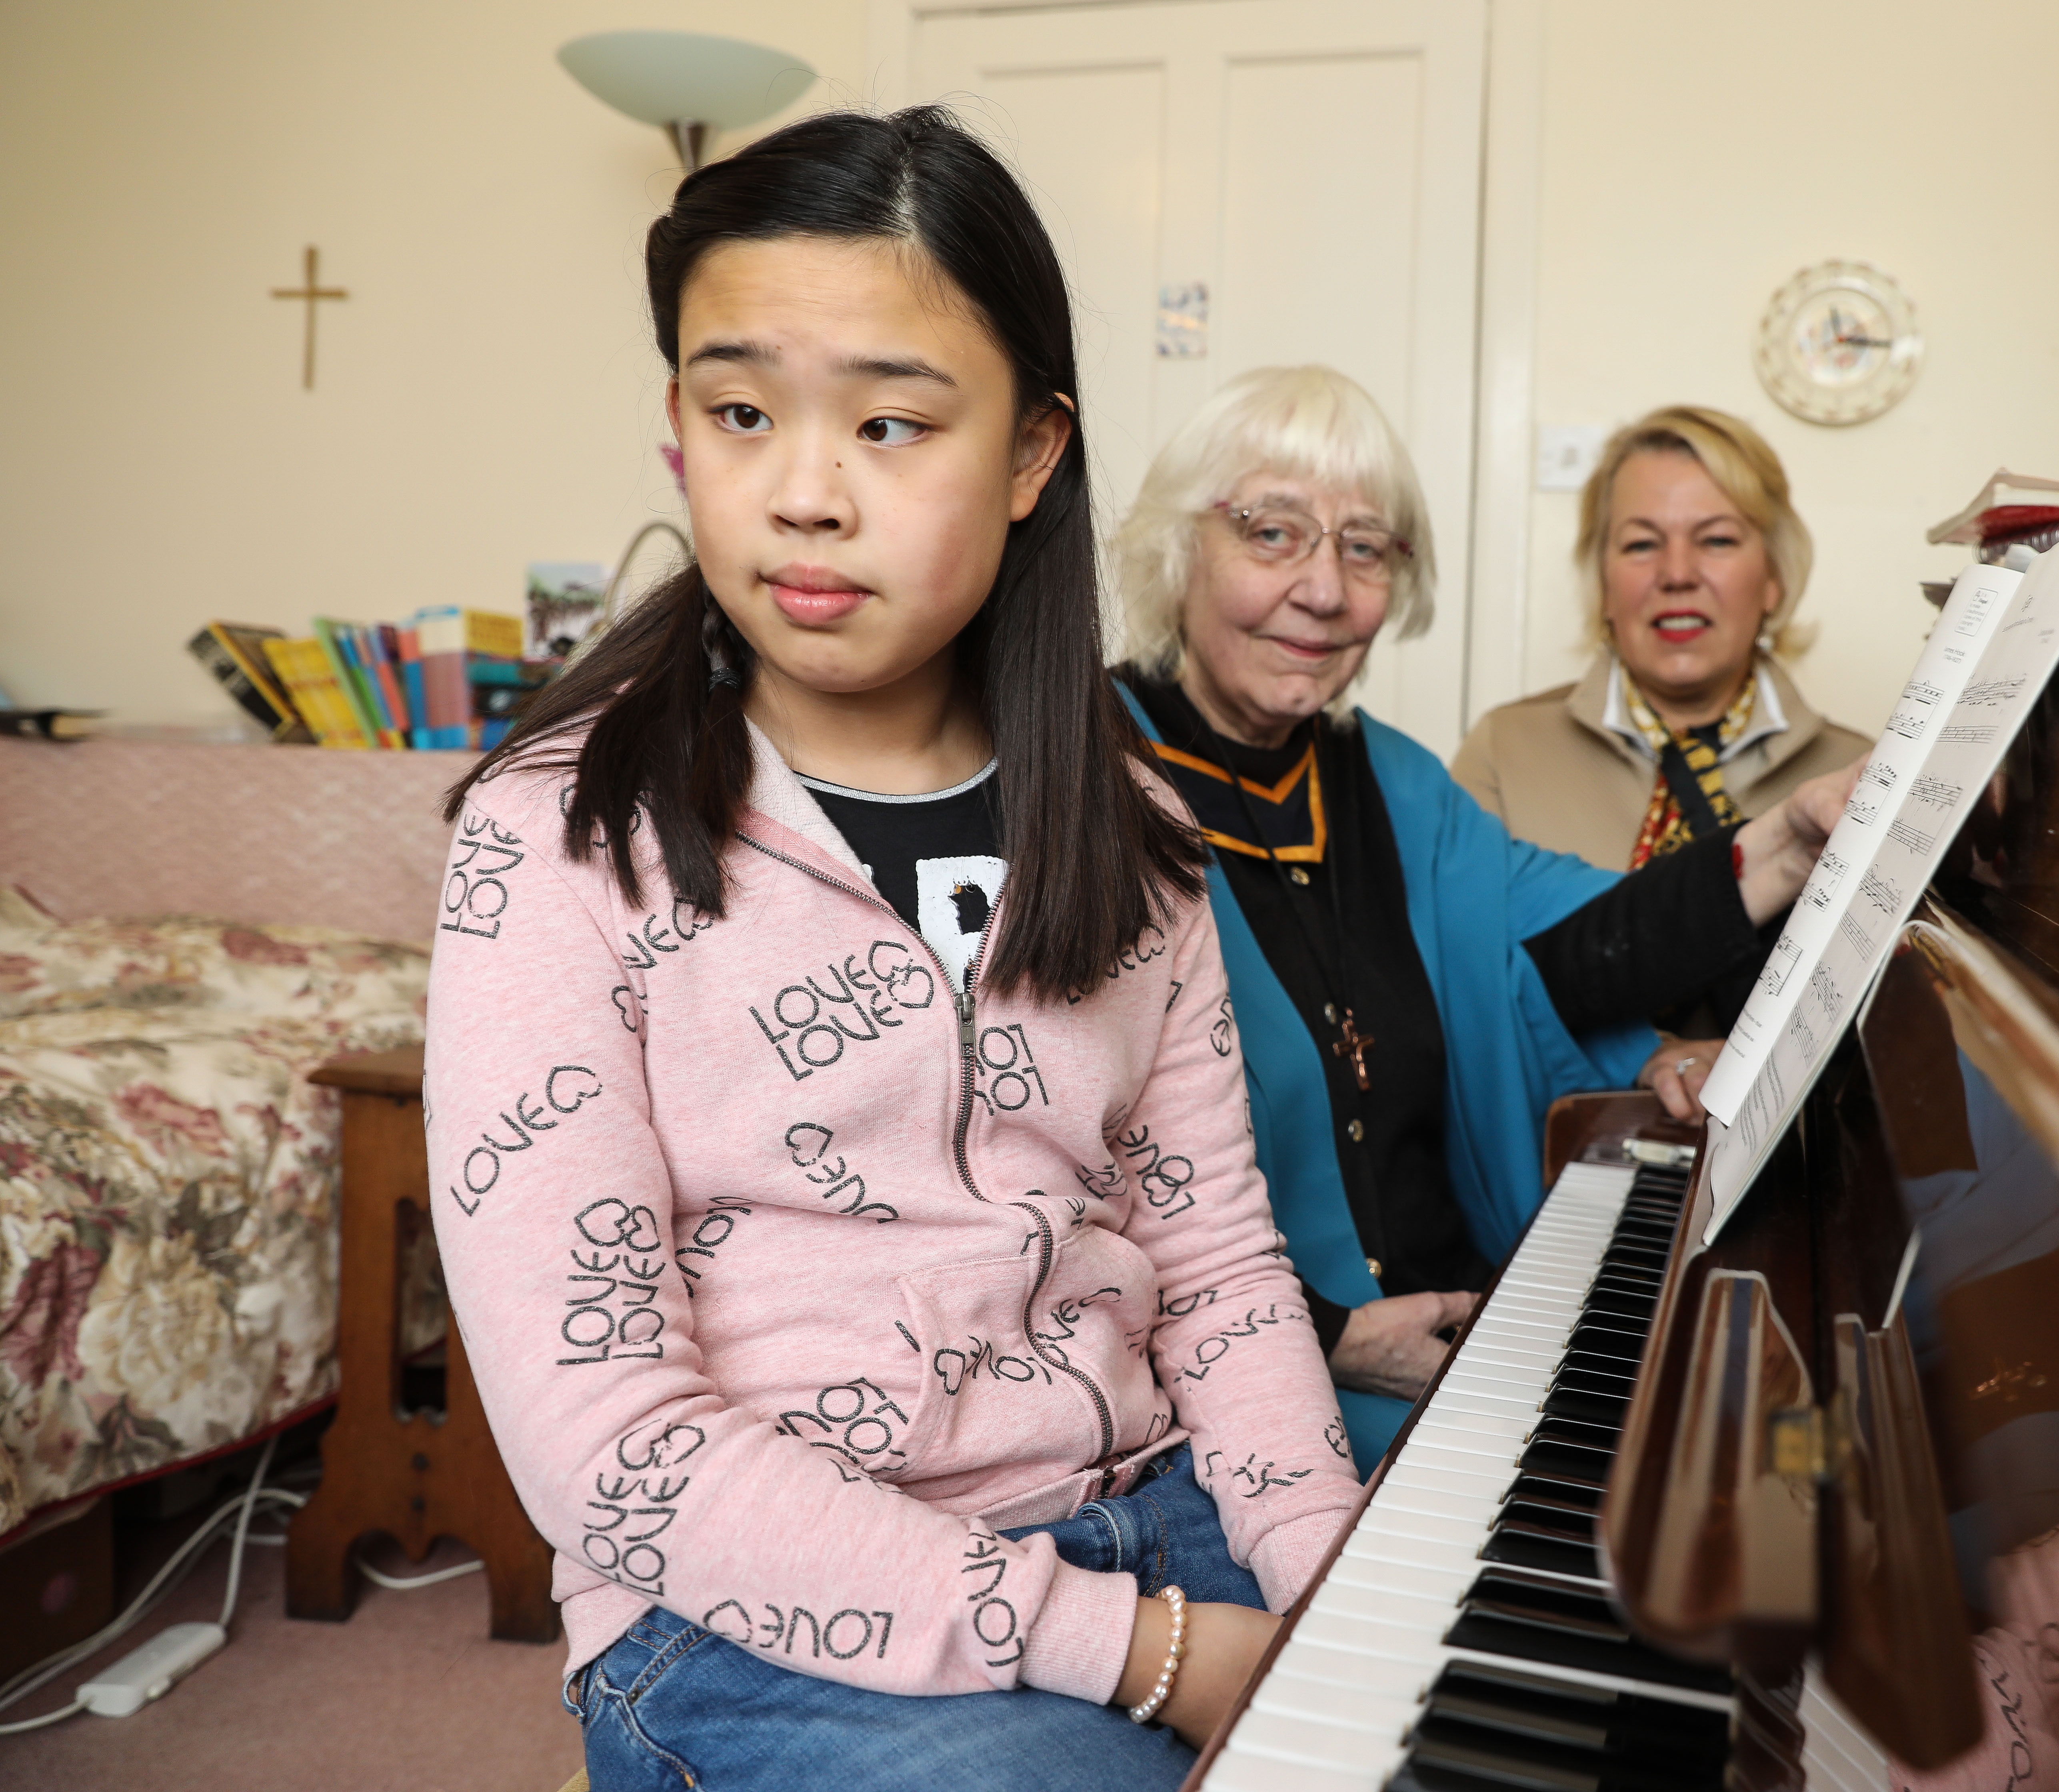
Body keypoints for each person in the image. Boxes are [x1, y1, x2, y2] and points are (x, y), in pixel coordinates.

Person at [425, 110, 1359, 1792]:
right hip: (740, 1615)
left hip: (1142, 1505)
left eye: (886, 421)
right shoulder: (554, 830)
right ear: (677, 435)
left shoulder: (1132, 830)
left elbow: (1215, 1264)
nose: (800, 489)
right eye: (738, 411)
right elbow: (604, 1434)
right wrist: (1145, 1655)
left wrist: (1326, 1587)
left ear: (1028, 456)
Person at [1109, 368, 1845, 1466]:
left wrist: (1795, 837)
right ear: (1180, 549)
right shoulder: (1081, 776)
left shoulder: (1396, 784)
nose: (1324, 589)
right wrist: (1327, 1337)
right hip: (1225, 1403)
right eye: (1274, 534)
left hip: (1461, 1361)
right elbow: (1029, 1158)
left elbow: (1585, 948)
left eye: (1366, 548)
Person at [1452, 406, 1869, 890]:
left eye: (1716, 540)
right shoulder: (1505, 751)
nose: (1677, 574)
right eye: (1642, 545)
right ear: (1604, 584)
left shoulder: (1858, 775)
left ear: (1774, 577)